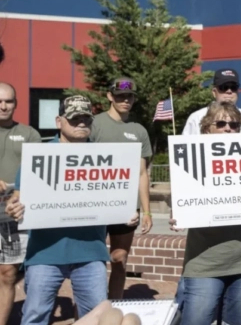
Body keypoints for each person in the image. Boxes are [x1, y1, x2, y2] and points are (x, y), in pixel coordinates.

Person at [5, 96, 139, 325]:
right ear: (59, 121)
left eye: (86, 118)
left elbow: (117, 197)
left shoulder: (107, 157)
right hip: (45, 252)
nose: (81, 124)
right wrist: (14, 206)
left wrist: (128, 212)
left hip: (91, 252)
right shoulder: (38, 156)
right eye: (75, 118)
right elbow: (18, 196)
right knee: (35, 316)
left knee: (96, 316)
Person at [169, 102, 241, 325]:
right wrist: (179, 214)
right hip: (205, 261)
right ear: (206, 129)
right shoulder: (189, 162)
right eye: (221, 123)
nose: (228, 129)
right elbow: (181, 203)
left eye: (234, 125)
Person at [89, 77, 153, 299]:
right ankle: (88, 312)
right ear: (110, 96)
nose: (125, 100)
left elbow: (142, 173)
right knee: (91, 263)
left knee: (119, 259)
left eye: (129, 96)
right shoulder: (94, 124)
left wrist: (147, 211)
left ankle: (115, 306)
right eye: (120, 96)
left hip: (126, 208)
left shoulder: (138, 130)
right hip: (94, 205)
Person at [0, 82, 41, 325]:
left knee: (7, 274)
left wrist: (22, 193)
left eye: (8, 101)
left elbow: (37, 174)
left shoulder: (29, 134)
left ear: (16, 103)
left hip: (12, 214)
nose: (3, 106)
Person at [182, 68, 241, 135]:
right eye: (224, 87)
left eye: (233, 87)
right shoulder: (197, 117)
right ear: (214, 92)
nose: (229, 91)